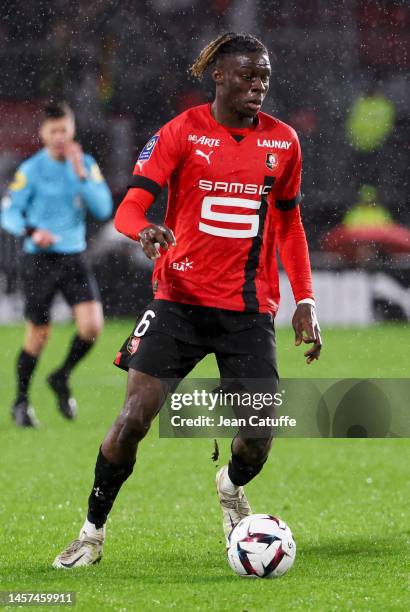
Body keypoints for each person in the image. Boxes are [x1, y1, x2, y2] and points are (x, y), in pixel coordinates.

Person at [53, 32, 322, 569]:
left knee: (258, 439)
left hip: (249, 310)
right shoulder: (180, 133)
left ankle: (229, 486)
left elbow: (289, 221)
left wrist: (306, 297)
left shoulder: (284, 141)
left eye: (265, 76)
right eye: (249, 75)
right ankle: (91, 532)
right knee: (134, 416)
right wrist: (143, 232)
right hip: (178, 302)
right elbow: (129, 208)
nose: (259, 86)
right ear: (219, 75)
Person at [1, 102, 113, 427]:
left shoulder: (85, 166)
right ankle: (21, 402)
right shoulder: (32, 170)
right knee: (38, 335)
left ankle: (61, 376)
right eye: (53, 131)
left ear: (72, 129)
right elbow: (8, 212)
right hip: (39, 259)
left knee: (91, 328)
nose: (60, 136)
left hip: (73, 257)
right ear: (43, 134)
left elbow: (103, 208)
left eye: (64, 129)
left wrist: (81, 176)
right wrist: (34, 230)